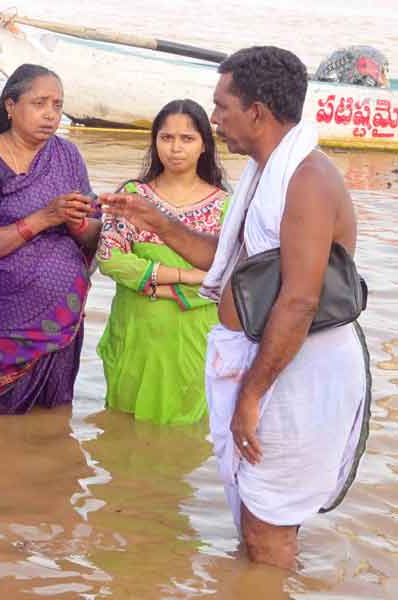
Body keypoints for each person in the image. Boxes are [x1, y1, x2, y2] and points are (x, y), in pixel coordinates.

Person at [102, 47, 370, 568]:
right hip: (269, 362)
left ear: (258, 112)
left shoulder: (307, 181)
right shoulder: (265, 173)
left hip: (297, 371)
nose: (216, 118)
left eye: (222, 107)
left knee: (269, 528)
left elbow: (298, 300)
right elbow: (232, 266)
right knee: (254, 521)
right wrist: (153, 219)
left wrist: (252, 393)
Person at [0, 64, 101, 414]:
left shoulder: (67, 155)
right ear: (10, 105)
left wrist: (78, 223)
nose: (51, 114)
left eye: (57, 104)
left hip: (60, 323)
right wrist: (43, 218)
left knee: (53, 425)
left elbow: (95, 233)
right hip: (3, 324)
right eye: (40, 103)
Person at [97, 99, 230, 425]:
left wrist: (155, 287)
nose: (175, 148)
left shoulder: (226, 206)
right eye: (166, 138)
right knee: (122, 439)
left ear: (204, 146)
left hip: (192, 339)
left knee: (186, 435)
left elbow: (229, 274)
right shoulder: (132, 196)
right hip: (135, 334)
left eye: (187, 139)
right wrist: (185, 276)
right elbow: (110, 258)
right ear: (154, 142)